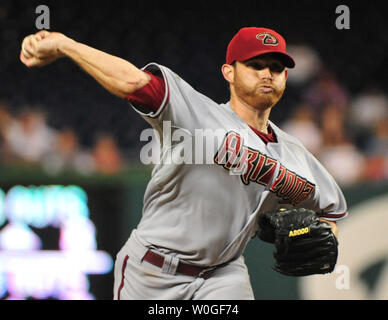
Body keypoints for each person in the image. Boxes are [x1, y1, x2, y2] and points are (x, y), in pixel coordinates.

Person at [20, 27, 347, 300]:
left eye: (276, 68)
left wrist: (319, 234)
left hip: (223, 275)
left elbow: (331, 212)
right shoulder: (196, 113)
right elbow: (132, 82)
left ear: (286, 77)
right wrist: (67, 45)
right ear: (229, 72)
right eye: (256, 64)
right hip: (151, 273)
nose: (267, 74)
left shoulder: (296, 155)